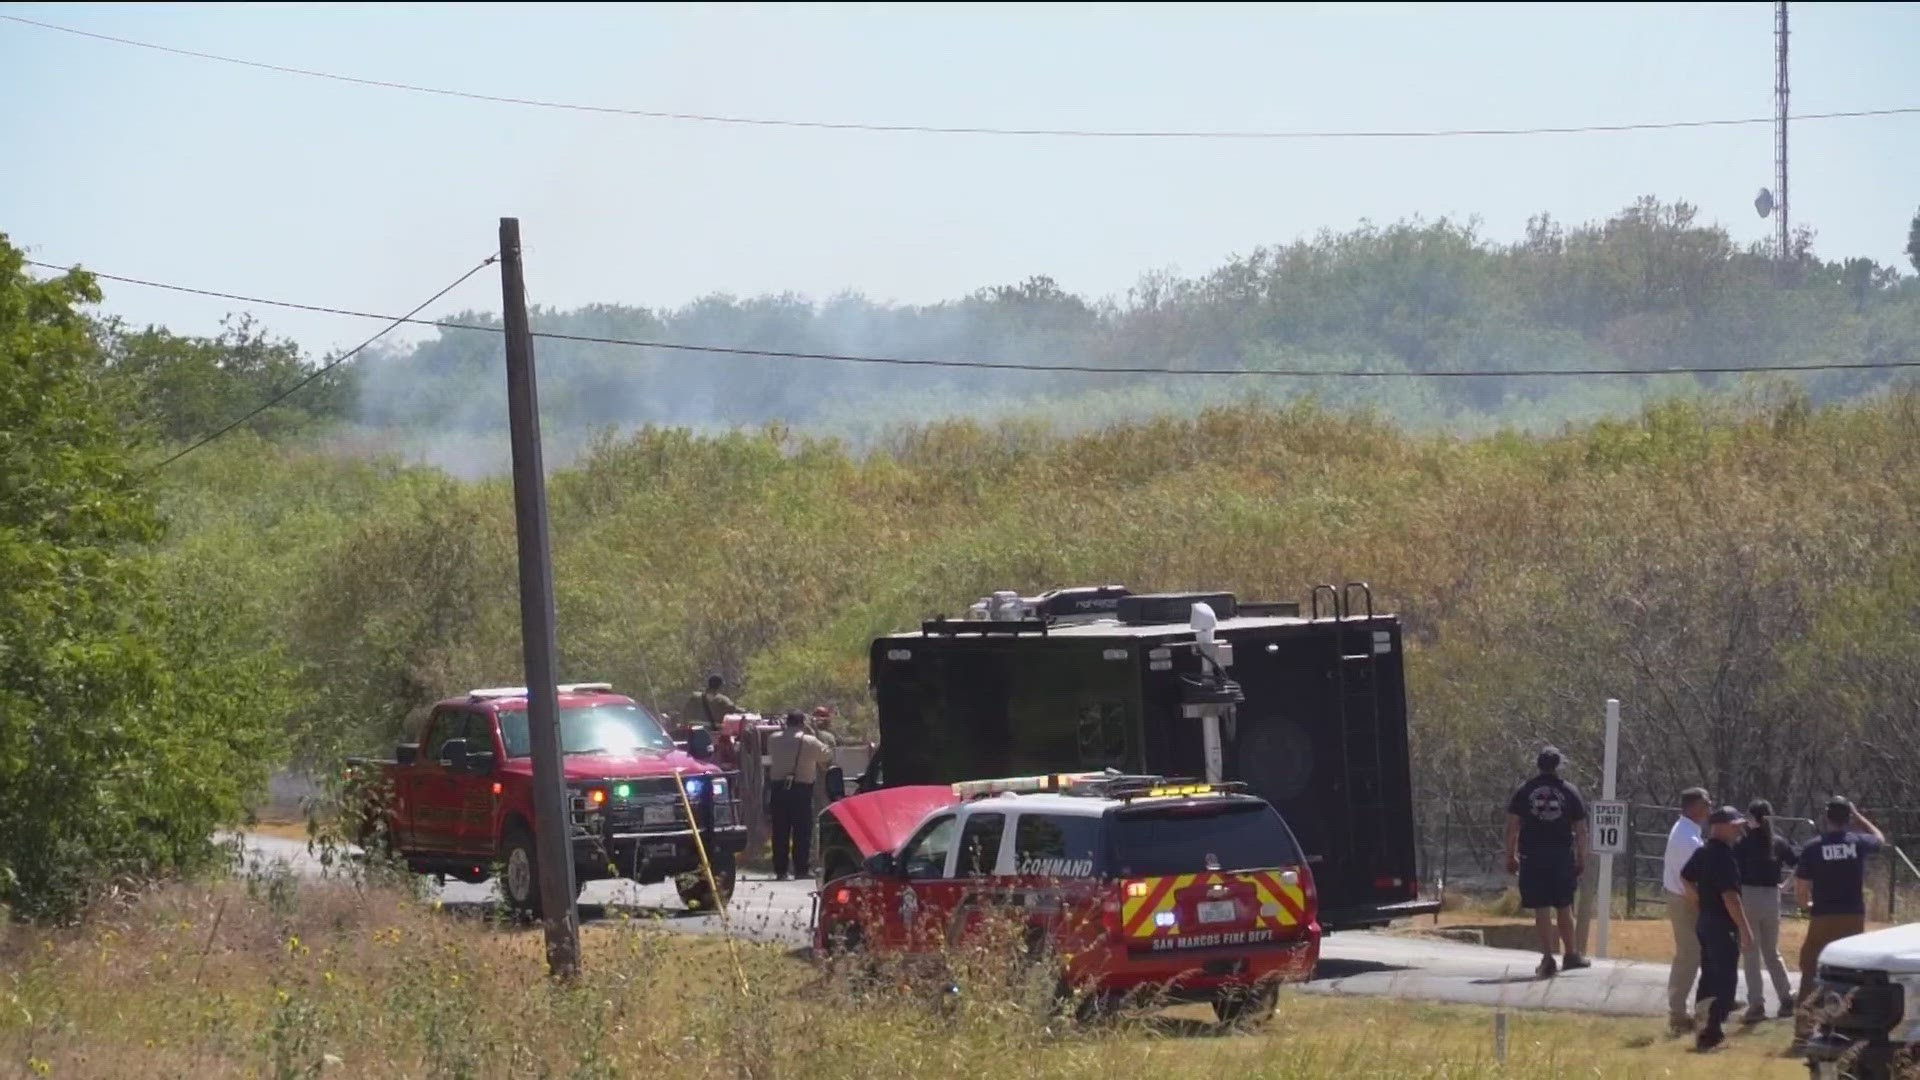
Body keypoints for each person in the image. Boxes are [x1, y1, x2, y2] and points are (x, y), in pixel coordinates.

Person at [1789, 797, 1886, 1051]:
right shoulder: (1858, 842)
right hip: (1853, 915)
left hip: (1823, 915)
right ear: (1848, 818)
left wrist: (1804, 906)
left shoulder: (1813, 847)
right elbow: (1880, 838)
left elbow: (1801, 887)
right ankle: (1846, 1027)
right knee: (1850, 971)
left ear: (1826, 817)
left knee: (1811, 970)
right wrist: (1860, 817)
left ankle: (1803, 1031)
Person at [1503, 747, 1590, 977]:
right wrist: (1581, 858)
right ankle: (1571, 954)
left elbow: (1512, 826)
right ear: (1559, 765)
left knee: (1541, 907)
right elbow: (1581, 831)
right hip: (1561, 856)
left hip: (1532, 856)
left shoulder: (1525, 790)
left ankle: (1548, 957)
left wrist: (1510, 854)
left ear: (1538, 764)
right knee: (1564, 905)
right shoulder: (1570, 792)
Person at [1679, 806, 1755, 1052]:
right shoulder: (1723, 856)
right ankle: (1712, 1032)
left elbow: (1684, 877)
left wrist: (1697, 900)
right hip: (1722, 925)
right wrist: (1745, 929)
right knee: (1724, 979)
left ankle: (1703, 1025)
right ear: (1720, 827)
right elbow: (1730, 897)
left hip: (1705, 922)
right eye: (1735, 826)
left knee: (1709, 975)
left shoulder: (1702, 852)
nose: (1739, 830)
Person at [1732, 798, 1798, 1023]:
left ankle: (1757, 1004)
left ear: (1752, 818)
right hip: (1772, 897)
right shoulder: (1778, 841)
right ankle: (1787, 997)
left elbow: (1734, 871)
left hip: (1749, 896)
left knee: (1751, 952)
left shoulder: (1743, 843)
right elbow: (1798, 864)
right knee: (1772, 951)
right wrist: (1786, 886)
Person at [1662, 787, 1713, 1035]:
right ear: (1693, 807)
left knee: (1693, 955)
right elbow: (1688, 881)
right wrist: (1701, 907)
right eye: (1706, 804)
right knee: (1688, 956)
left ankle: (1690, 1010)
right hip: (1685, 901)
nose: (1709, 808)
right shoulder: (1687, 838)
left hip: (1684, 899)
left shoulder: (1688, 832)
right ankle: (1678, 1014)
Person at [765, 710, 829, 881]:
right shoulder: (809, 740)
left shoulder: (774, 739)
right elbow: (826, 754)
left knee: (780, 830)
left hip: (778, 788)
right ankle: (801, 869)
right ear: (802, 723)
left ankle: (781, 870)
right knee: (802, 831)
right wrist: (813, 732)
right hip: (801, 789)